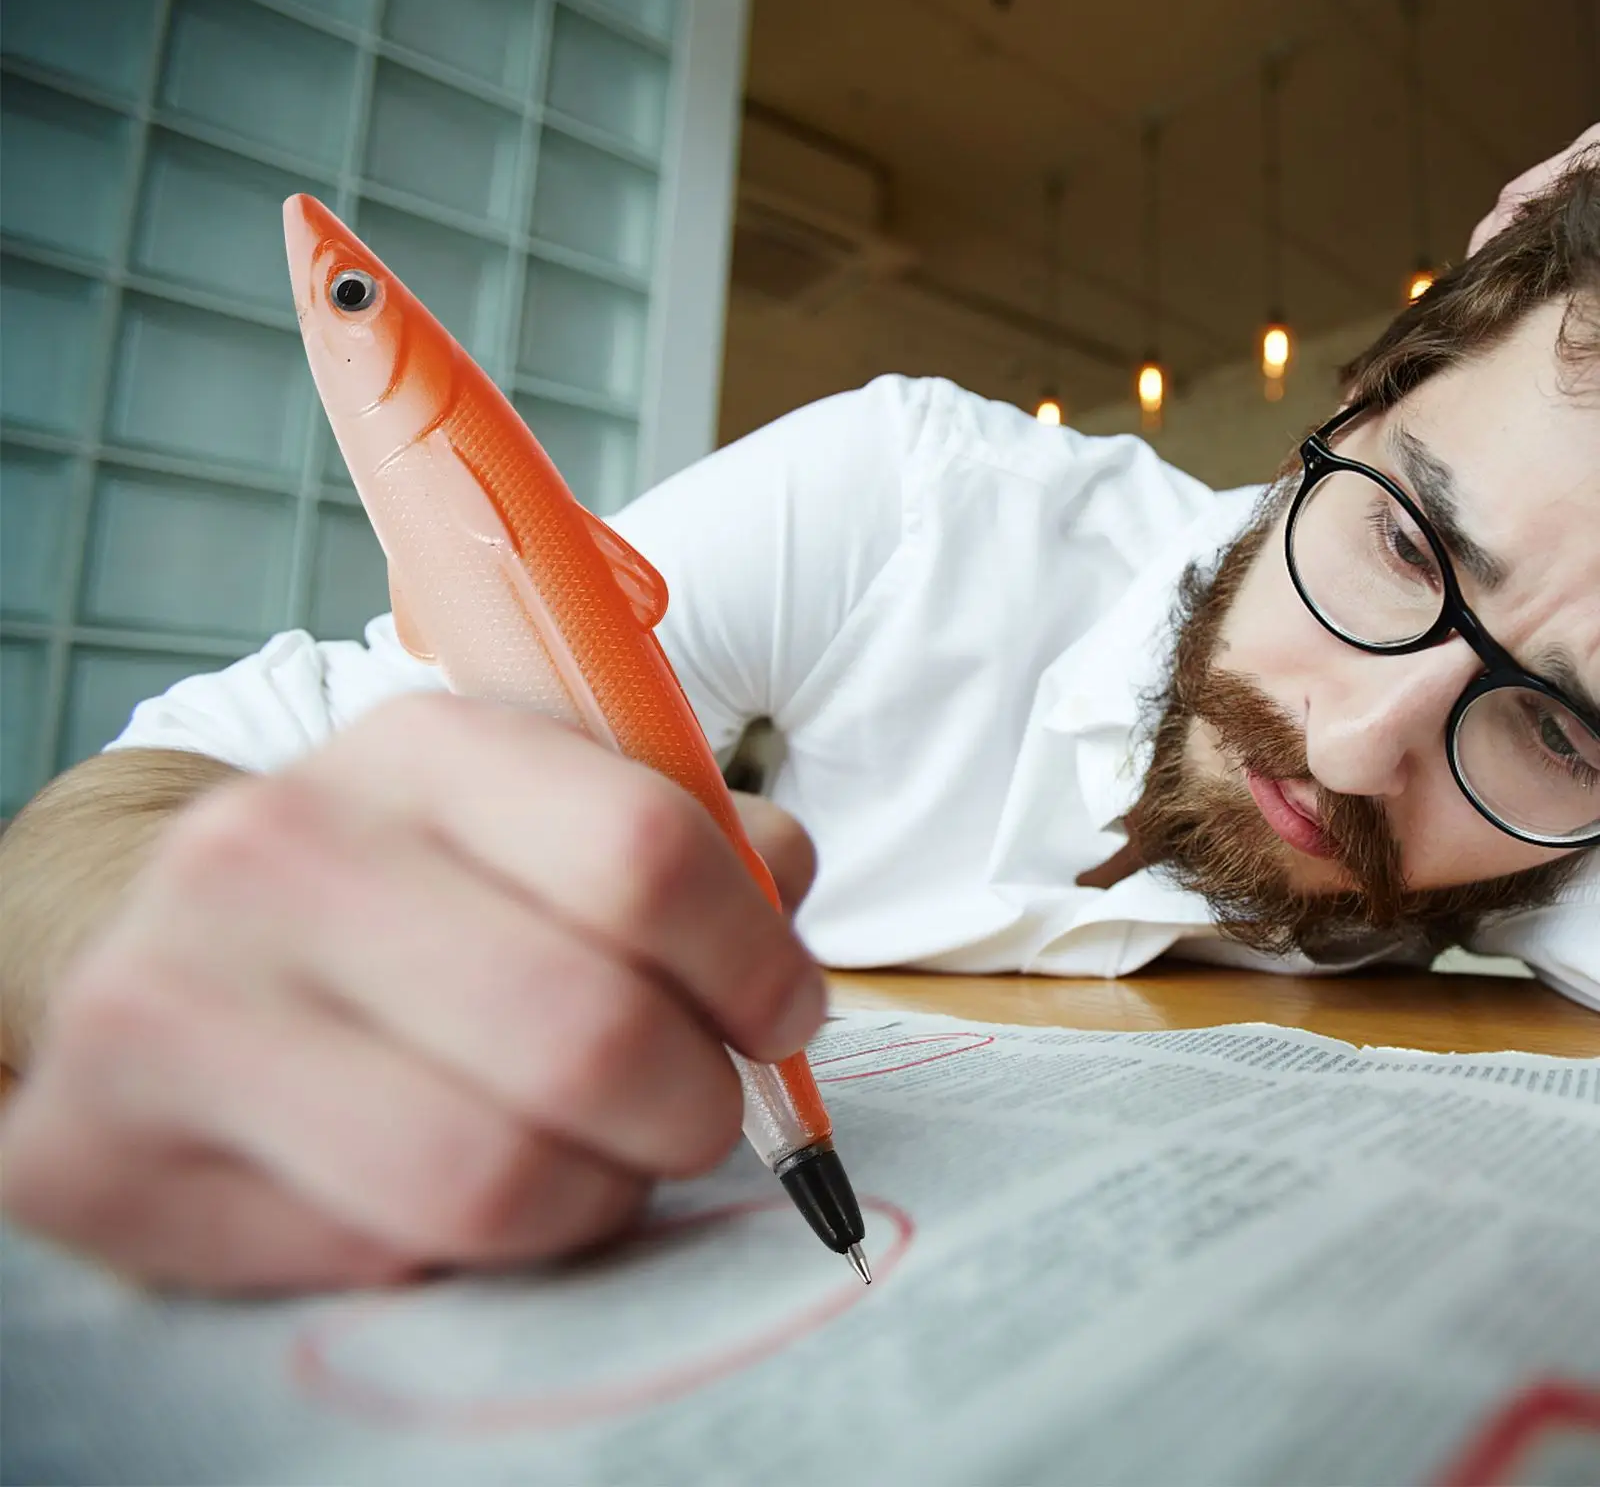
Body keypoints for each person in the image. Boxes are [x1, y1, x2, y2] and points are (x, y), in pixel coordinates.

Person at [2, 129, 1596, 1294]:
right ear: (1356, 404)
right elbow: (189, 770)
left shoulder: (1553, 836)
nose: (1353, 748)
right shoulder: (910, 502)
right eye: (1402, 543)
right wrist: (185, 945)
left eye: (1558, 722)